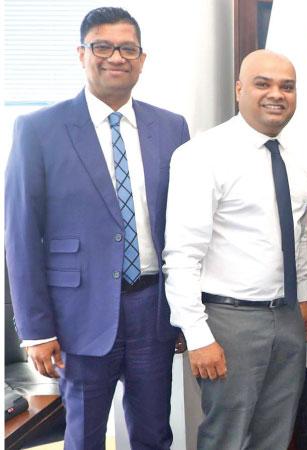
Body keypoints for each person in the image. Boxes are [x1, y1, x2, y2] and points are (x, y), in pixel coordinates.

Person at [5, 7, 189, 449]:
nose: (116, 57)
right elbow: (21, 235)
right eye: (102, 47)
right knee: (85, 436)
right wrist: (37, 330)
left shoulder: (171, 128)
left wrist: (187, 313)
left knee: (153, 434)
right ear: (81, 54)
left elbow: (188, 228)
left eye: (128, 48)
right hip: (77, 316)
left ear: (142, 59)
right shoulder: (38, 129)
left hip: (154, 308)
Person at [162, 50, 307, 449]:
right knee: (225, 437)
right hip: (228, 321)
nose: (276, 94)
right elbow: (181, 255)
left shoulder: (299, 159)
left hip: (287, 318)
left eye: (287, 86)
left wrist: (302, 298)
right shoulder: (202, 154)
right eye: (263, 84)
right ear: (239, 90)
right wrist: (197, 336)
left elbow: (298, 236)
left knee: (277, 433)